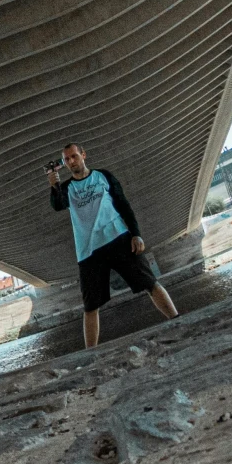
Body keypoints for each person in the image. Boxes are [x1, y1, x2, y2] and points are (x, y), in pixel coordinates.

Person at [47, 143, 179, 348]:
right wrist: (54, 185)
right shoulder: (67, 188)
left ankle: (178, 321)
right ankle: (91, 353)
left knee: (149, 282)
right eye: (67, 159)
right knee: (90, 305)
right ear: (64, 164)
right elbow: (58, 205)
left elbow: (123, 204)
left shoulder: (103, 176)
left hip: (118, 238)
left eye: (74, 156)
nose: (71, 161)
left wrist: (136, 234)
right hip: (89, 251)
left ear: (83, 154)